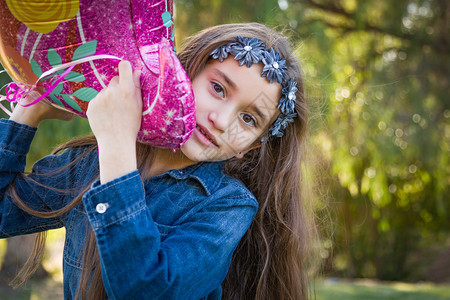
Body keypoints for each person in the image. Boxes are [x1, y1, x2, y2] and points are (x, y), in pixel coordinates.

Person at [0, 23, 316, 299]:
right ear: (183, 73)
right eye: (218, 88)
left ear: (249, 147)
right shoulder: (89, 163)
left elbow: (146, 290)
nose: (222, 120)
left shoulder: (228, 205)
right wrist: (28, 112)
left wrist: (117, 146)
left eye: (248, 118)